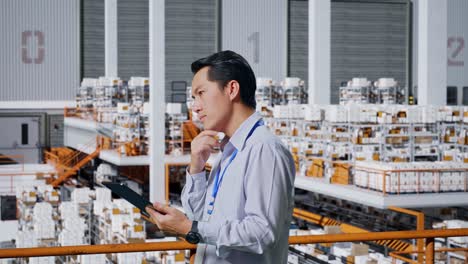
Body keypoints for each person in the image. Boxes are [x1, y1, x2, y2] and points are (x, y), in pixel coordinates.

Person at [146, 50, 295, 263]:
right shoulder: (230, 149)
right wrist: (196, 167)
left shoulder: (263, 149)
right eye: (193, 98)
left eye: (201, 93)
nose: (195, 107)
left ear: (231, 89)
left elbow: (262, 233)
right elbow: (201, 217)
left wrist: (190, 228)